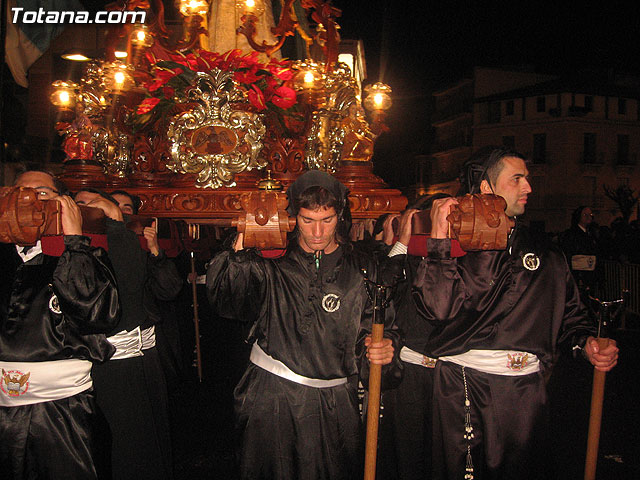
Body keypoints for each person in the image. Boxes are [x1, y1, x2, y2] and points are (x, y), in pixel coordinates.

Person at [412, 146, 619, 479]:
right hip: (464, 387)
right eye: (517, 179)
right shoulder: (454, 247)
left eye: (527, 179)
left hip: (526, 394)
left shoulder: (548, 253)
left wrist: (588, 343)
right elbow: (438, 309)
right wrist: (439, 242)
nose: (528, 188)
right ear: (485, 187)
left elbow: (571, 319)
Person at [206, 170, 402, 480]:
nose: (317, 232)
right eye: (307, 220)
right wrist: (244, 239)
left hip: (335, 402)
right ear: (294, 217)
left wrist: (384, 351)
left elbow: (379, 331)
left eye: (327, 220)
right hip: (273, 395)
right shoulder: (271, 263)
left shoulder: (365, 269)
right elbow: (229, 302)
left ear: (341, 216)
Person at [1, 170, 120, 479]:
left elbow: (98, 314)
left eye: (40, 192)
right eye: (19, 191)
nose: (26, 199)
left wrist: (74, 243)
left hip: (62, 413)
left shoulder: (80, 253)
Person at [75, 188, 182, 480]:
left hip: (147, 353)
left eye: (125, 208)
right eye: (112, 207)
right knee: (121, 442)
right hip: (109, 356)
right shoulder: (90, 247)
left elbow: (169, 290)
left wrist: (156, 252)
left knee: (154, 432)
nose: (118, 212)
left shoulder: (139, 247)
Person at [561, 205, 599, 297]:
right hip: (578, 273)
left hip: (590, 272)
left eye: (590, 215)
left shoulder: (592, 233)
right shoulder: (571, 234)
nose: (589, 217)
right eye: (585, 215)